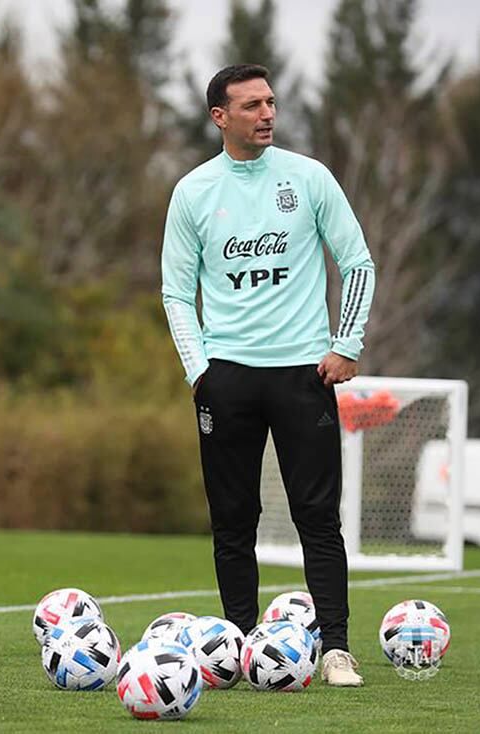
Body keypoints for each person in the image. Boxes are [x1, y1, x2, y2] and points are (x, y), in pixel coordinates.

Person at [160, 64, 374, 687]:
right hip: (227, 378)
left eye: (271, 102)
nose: (267, 114)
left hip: (303, 375)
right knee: (233, 520)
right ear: (220, 116)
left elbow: (358, 263)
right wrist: (200, 370)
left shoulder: (309, 178)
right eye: (252, 105)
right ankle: (239, 645)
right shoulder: (193, 192)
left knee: (318, 517)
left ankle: (336, 649)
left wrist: (346, 344)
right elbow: (176, 292)